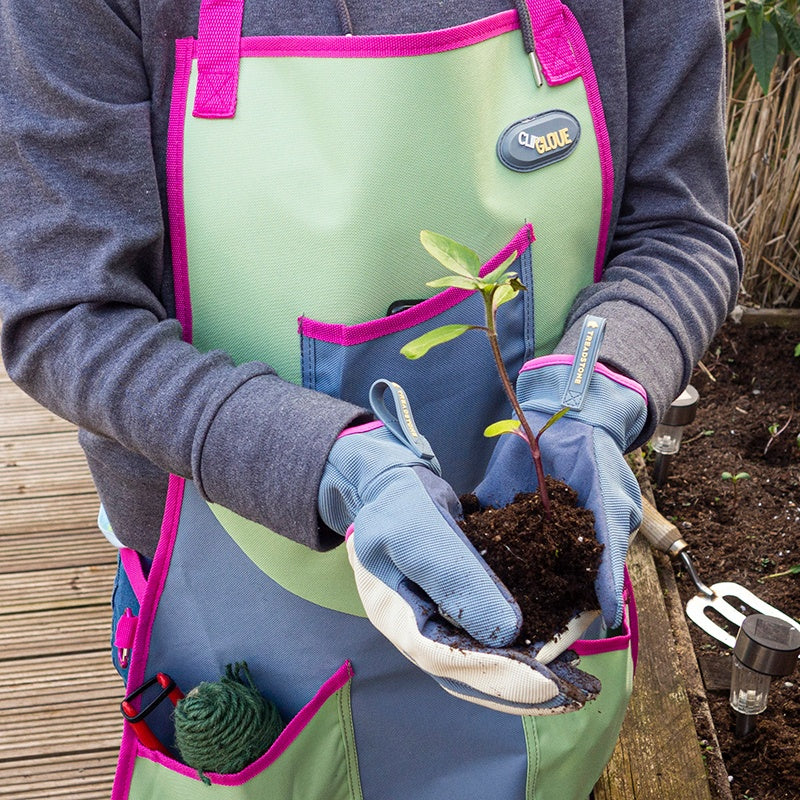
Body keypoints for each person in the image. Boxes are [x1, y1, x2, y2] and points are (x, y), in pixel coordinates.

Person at [0, 1, 741, 797]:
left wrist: (598, 387)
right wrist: (332, 461)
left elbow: (678, 227)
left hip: (542, 584)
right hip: (236, 598)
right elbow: (71, 307)